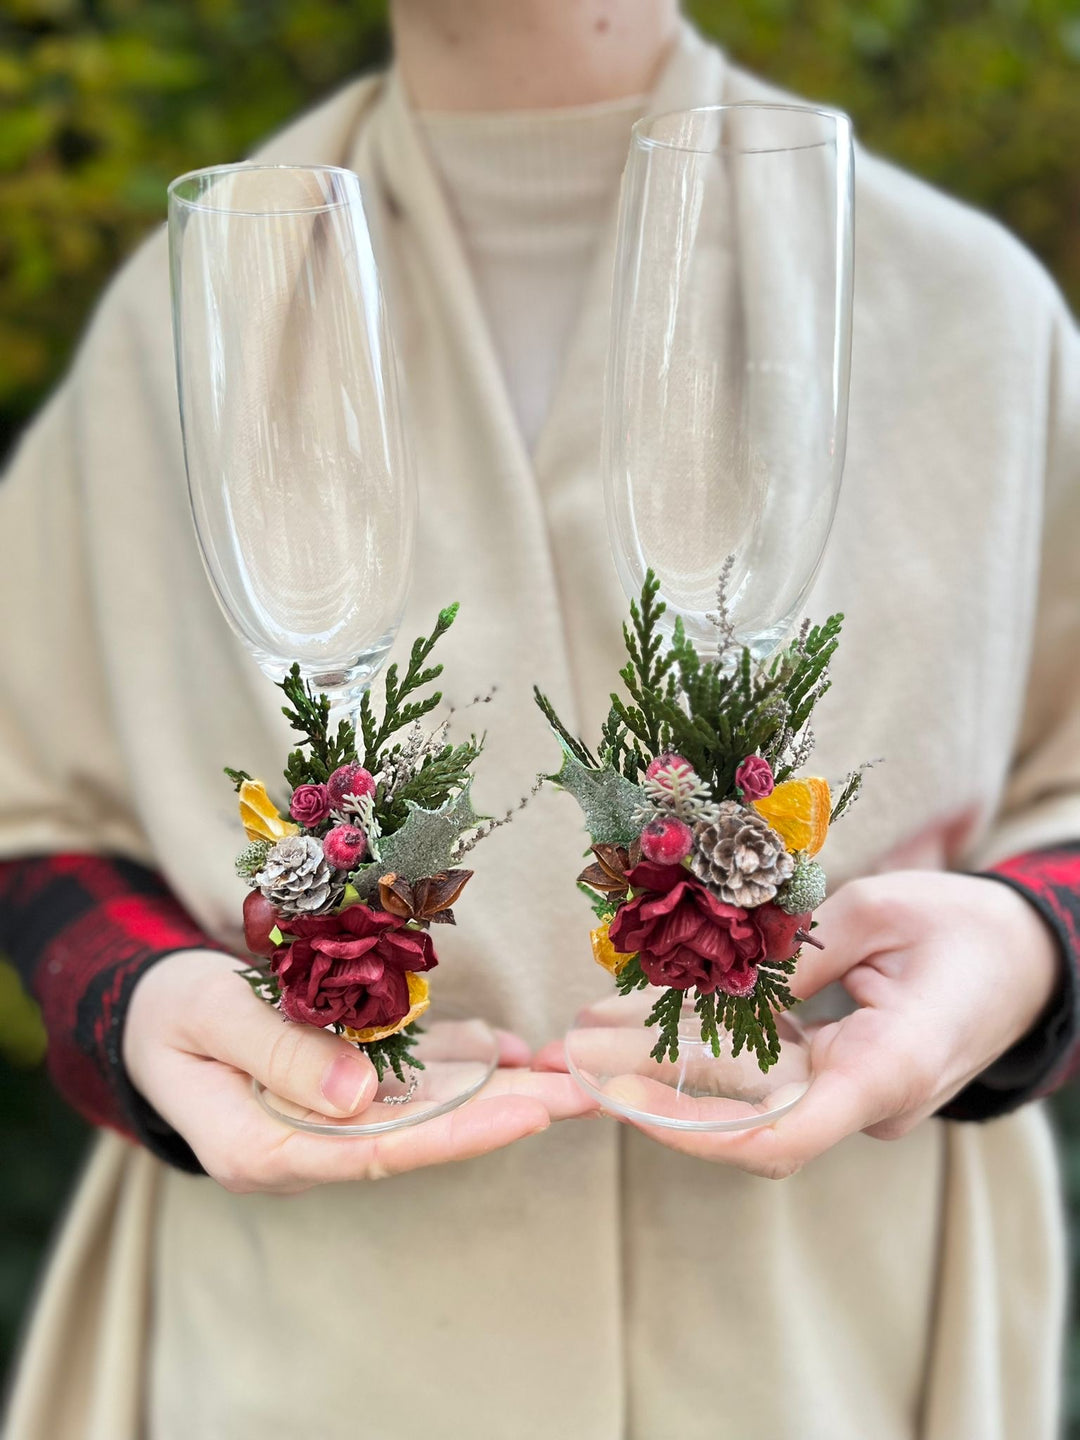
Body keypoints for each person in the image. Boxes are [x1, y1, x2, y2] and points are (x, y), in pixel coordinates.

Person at [2, 3, 1079, 1436]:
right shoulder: (177, 322)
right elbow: (36, 811)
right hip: (308, 1361)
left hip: (833, 1354)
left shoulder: (969, 307)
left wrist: (1025, 947)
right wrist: (135, 1004)